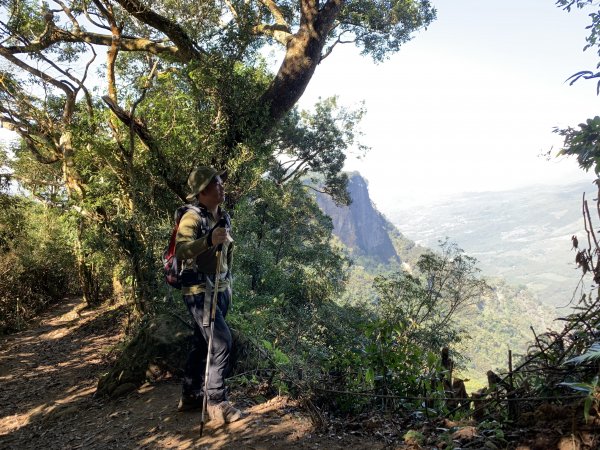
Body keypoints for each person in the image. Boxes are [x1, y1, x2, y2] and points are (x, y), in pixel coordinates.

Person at [175, 166, 243, 423]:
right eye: (217, 183)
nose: (222, 186)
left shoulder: (223, 216)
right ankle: (216, 402)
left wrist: (228, 283)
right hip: (200, 292)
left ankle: (191, 394)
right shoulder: (191, 218)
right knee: (221, 341)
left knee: (202, 342)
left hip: (220, 290)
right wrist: (208, 241)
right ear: (203, 190)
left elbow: (227, 255)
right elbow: (182, 251)